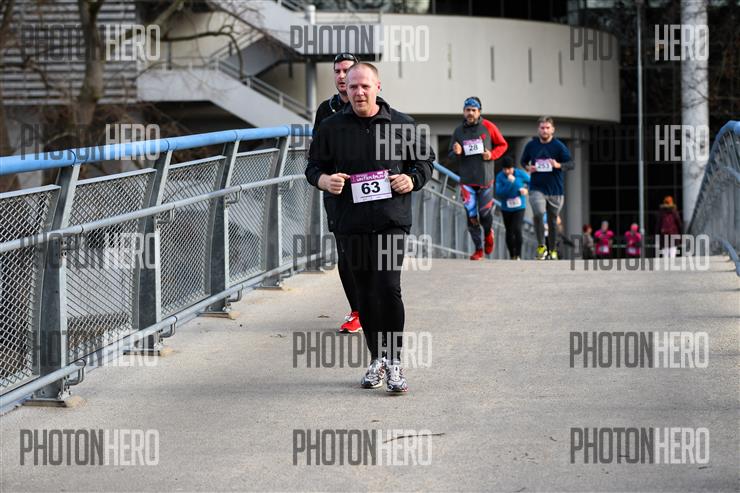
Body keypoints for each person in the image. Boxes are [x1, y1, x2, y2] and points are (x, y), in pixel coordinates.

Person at [306, 62, 434, 394]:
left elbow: (425, 162)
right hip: (351, 221)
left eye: (365, 86)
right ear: (345, 90)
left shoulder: (403, 125)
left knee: (388, 287)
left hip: (391, 219)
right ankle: (377, 357)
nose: (359, 92)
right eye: (353, 87)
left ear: (378, 87)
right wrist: (325, 180)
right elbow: (313, 167)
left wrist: (412, 179)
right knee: (364, 291)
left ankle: (395, 361)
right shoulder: (331, 127)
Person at [312, 53, 363, 334]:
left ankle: (376, 302)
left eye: (347, 71)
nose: (342, 76)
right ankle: (357, 311)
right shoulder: (326, 110)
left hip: (366, 189)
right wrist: (327, 177)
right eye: (337, 71)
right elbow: (316, 154)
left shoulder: (370, 104)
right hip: (337, 190)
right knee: (344, 251)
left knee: (368, 249)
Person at [520, 116, 574, 260]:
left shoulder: (559, 146)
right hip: (537, 188)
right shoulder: (531, 145)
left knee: (552, 220)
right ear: (538, 129)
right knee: (538, 213)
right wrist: (528, 168)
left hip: (556, 190)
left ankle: (553, 250)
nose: (545, 130)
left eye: (547, 128)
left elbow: (571, 164)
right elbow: (523, 161)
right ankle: (541, 246)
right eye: (542, 128)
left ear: (553, 130)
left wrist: (558, 165)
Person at [449, 96, 495, 260]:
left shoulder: (488, 127)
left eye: (473, 110)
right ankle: (478, 249)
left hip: (485, 180)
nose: (470, 113)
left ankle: (488, 234)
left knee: (484, 214)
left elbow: (503, 145)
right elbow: (451, 155)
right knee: (471, 216)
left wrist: (492, 154)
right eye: (467, 110)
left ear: (479, 112)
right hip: (467, 180)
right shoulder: (458, 131)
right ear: (463, 111)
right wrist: (456, 152)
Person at [494, 156, 529, 259]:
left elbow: (532, 183)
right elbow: (499, 193)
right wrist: (509, 183)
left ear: (513, 168)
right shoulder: (500, 177)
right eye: (505, 169)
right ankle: (512, 255)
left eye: (509, 169)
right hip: (506, 208)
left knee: (517, 229)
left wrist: (526, 190)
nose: (507, 171)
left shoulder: (520, 174)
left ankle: (518, 255)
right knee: (509, 231)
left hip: (519, 207)